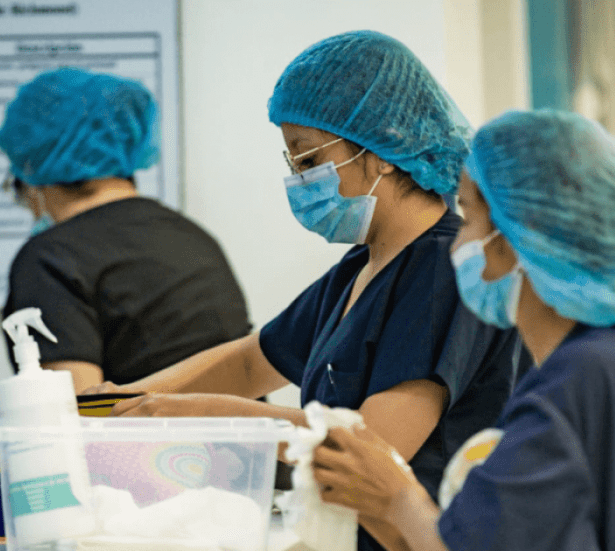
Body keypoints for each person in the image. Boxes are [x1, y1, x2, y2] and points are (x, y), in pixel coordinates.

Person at [87, 31, 524, 551]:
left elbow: (372, 447)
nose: (298, 180)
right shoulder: (360, 269)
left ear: (381, 150)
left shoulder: (441, 269)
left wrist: (200, 414)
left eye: (309, 160)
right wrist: (132, 398)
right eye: (292, 163)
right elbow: (253, 362)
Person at [310, 110, 615, 551]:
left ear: (521, 233)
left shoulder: (578, 379)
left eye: (468, 214)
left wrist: (398, 497)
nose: (459, 243)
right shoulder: (607, 362)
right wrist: (380, 504)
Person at [0, 67, 251, 392]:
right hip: (247, 440)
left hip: (152, 444)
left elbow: (74, 411)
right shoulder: (192, 237)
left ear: (33, 174)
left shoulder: (50, 257)